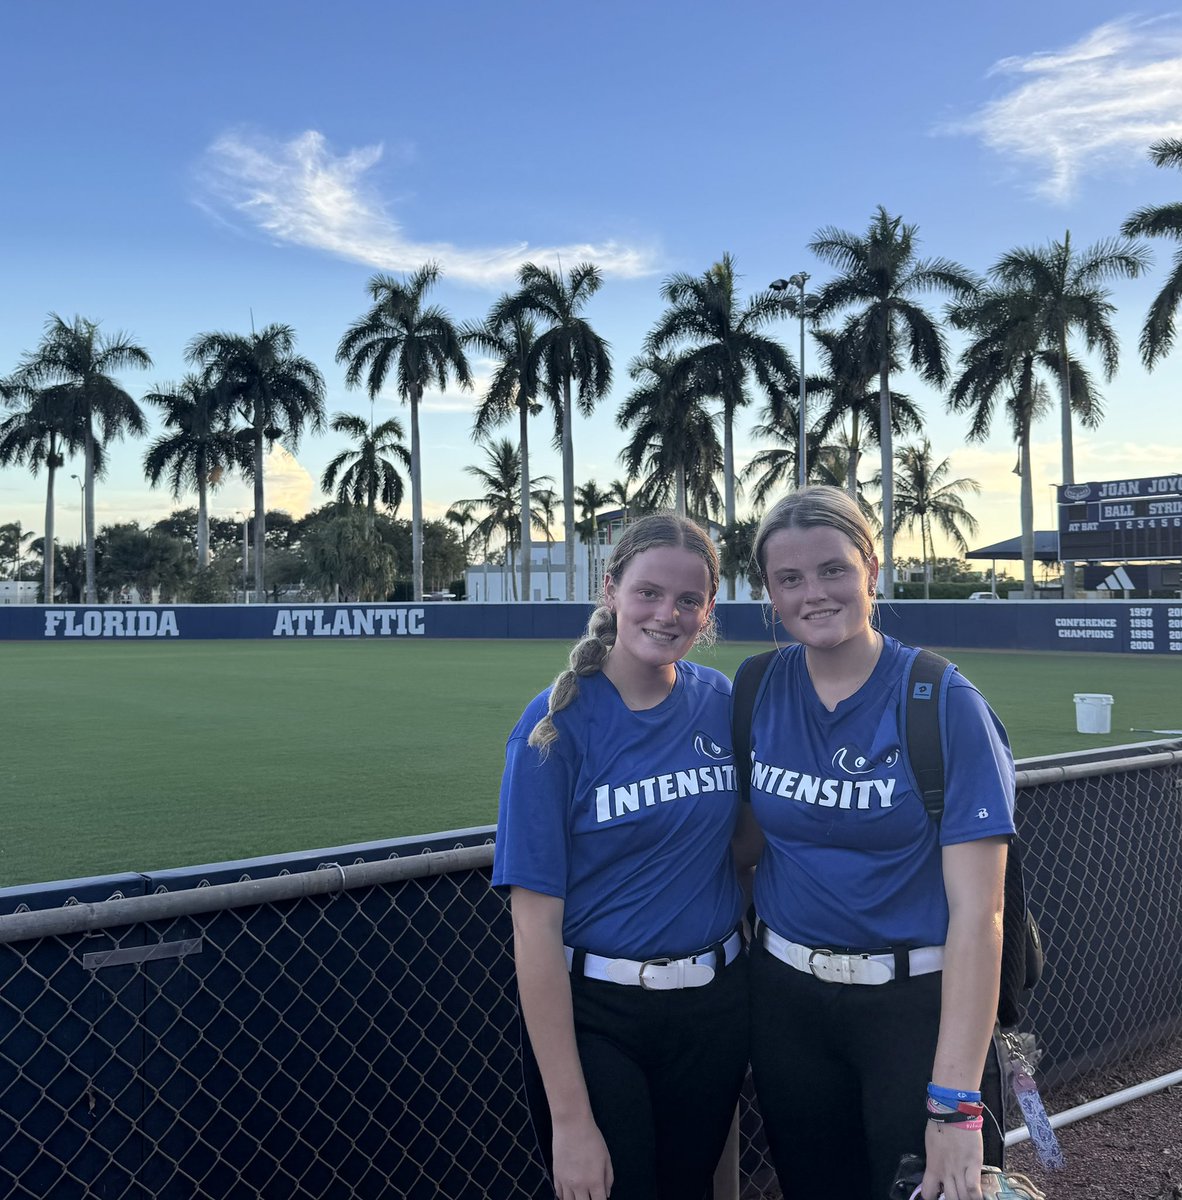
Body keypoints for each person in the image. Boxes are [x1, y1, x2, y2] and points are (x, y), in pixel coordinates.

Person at [733, 486, 1013, 1200]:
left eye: (833, 569)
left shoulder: (943, 700)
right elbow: (746, 844)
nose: (813, 593)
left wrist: (955, 1103)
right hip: (789, 1006)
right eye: (789, 579)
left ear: (872, 569)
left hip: (914, 1008)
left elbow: (980, 919)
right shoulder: (758, 686)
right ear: (769, 591)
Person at [493, 513, 748, 1200]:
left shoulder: (722, 705)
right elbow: (534, 927)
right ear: (611, 591)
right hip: (601, 1018)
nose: (668, 613)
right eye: (648, 592)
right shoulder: (552, 728)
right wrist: (571, 1121)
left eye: (688, 599)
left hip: (713, 1012)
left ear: (708, 609)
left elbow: (749, 842)